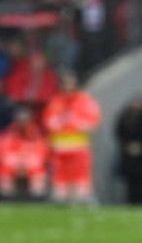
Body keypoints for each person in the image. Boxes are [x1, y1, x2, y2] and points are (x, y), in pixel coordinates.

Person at [42, 69, 102, 203]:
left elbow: (92, 122)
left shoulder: (85, 101)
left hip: (78, 146)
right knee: (60, 177)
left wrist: (71, 123)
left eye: (70, 83)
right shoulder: (55, 102)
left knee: (80, 175)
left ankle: (81, 198)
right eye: (65, 83)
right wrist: (65, 123)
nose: (68, 87)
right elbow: (49, 121)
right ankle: (62, 199)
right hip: (59, 147)